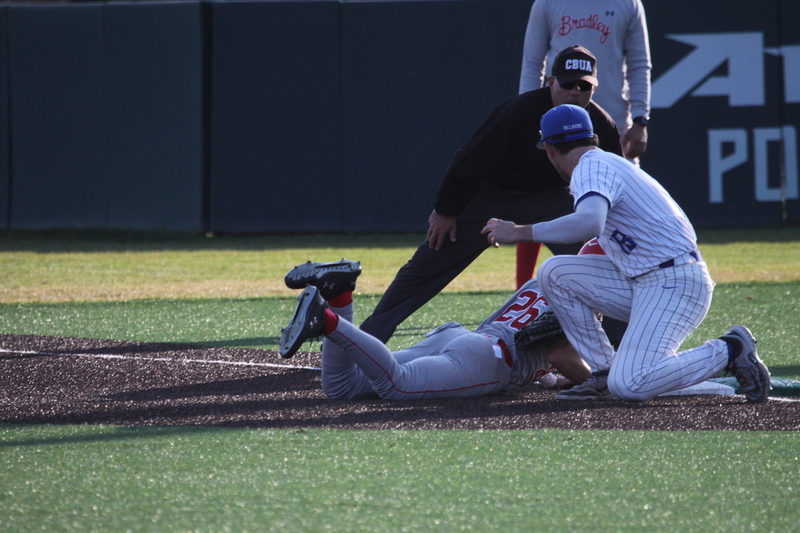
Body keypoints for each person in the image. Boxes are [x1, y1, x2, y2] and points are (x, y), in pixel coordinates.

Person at [481, 104, 771, 403]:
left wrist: (519, 232)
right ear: (592, 137)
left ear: (550, 148)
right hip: (650, 279)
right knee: (555, 272)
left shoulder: (590, 167)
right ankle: (603, 373)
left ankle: (729, 350)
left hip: (674, 283)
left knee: (631, 384)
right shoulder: (605, 163)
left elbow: (589, 222)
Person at [359, 45, 622, 344]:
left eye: (584, 85)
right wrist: (447, 210)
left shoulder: (602, 124)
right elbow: (470, 159)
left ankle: (623, 355)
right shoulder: (519, 111)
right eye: (567, 83)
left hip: (554, 200)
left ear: (594, 88)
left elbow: (615, 180)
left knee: (610, 264)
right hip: (493, 197)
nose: (575, 91)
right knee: (425, 266)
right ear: (550, 82)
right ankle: (364, 343)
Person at [278, 259, 591, 400]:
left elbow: (536, 343)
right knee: (395, 386)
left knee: (343, 387)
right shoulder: (584, 297)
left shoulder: (544, 279)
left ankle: (338, 294)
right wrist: (601, 381)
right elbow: (558, 353)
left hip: (465, 339)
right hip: (487, 361)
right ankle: (327, 320)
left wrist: (549, 379)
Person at [519, 0, 651, 161]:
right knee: (557, 184)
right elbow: (533, 63)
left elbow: (639, 64)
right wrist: (527, 115)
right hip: (559, 123)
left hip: (614, 123)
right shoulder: (546, 3)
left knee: (621, 184)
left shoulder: (629, 4)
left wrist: (640, 120)